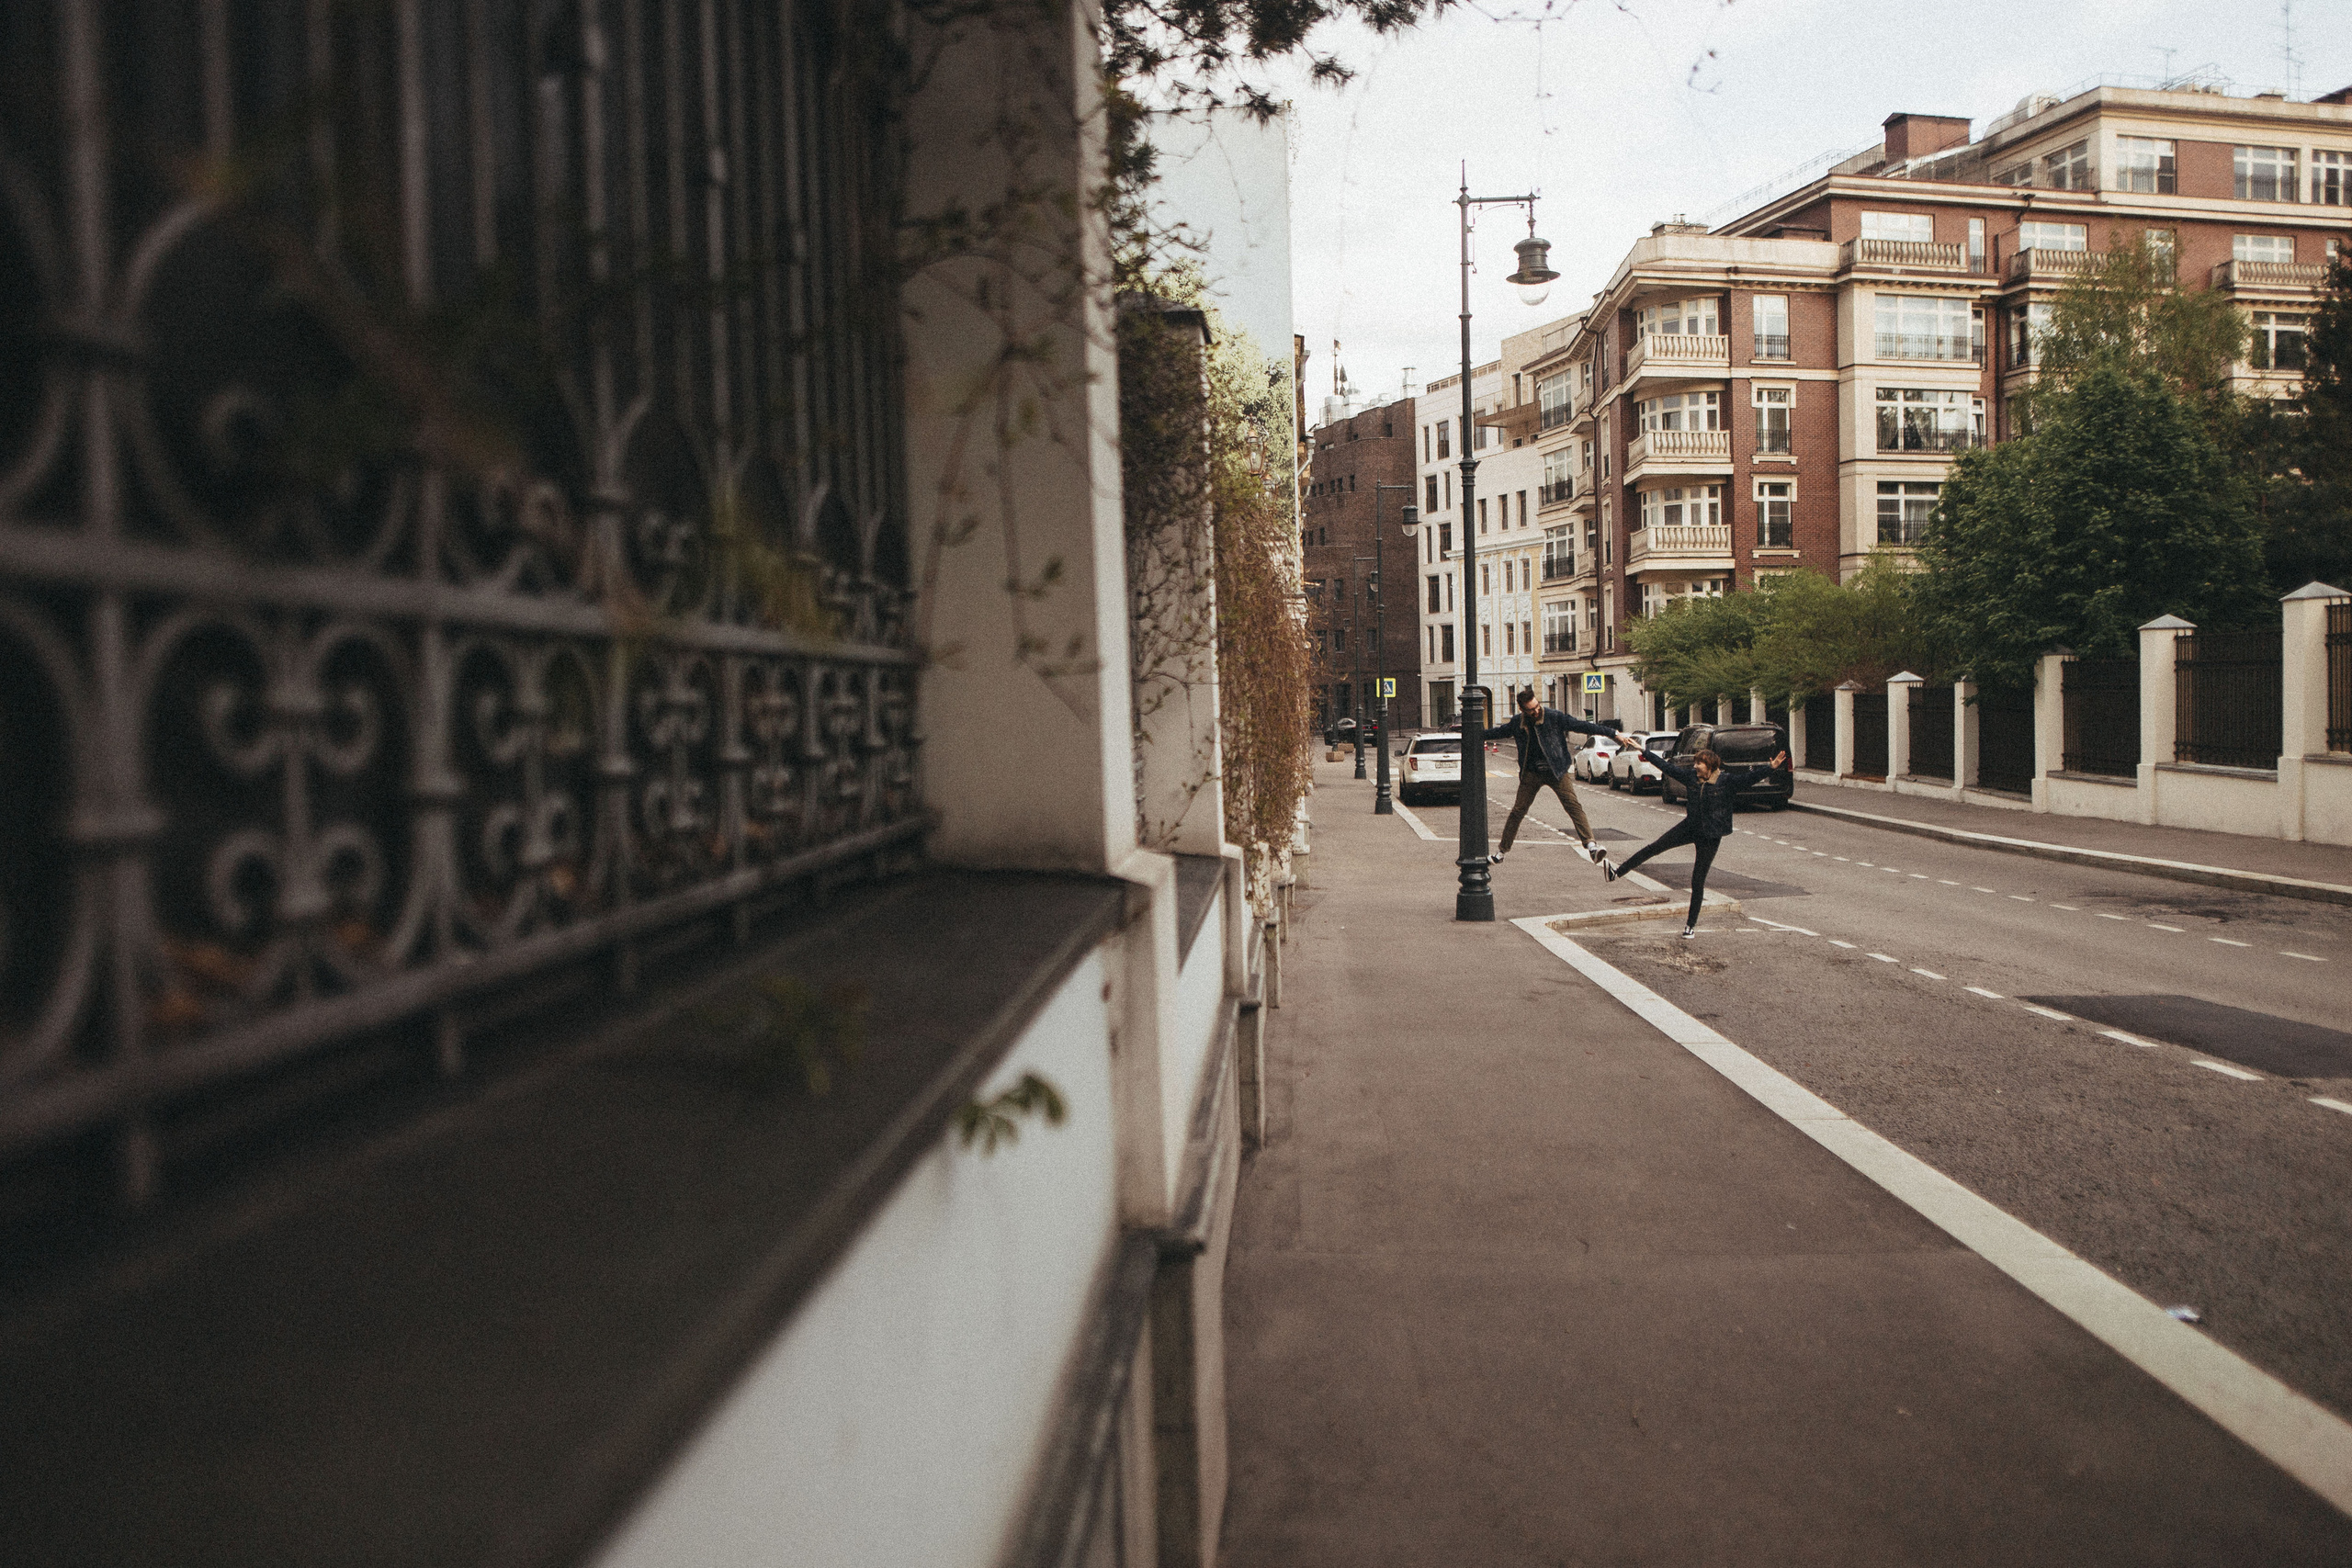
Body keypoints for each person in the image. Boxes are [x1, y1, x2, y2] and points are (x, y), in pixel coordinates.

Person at [1605, 745, 1789, 938]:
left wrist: (1772, 767)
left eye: (1700, 763)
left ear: (1710, 765)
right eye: (1696, 762)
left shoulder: (1726, 782)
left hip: (1710, 835)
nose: (1696, 766)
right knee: (1655, 847)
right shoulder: (1691, 778)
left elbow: (1749, 778)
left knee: (1697, 880)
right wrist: (1644, 752)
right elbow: (1667, 767)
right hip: (1689, 827)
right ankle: (1617, 872)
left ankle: (1690, 926)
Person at [1476, 688, 1622, 869]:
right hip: (1532, 773)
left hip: (1556, 770)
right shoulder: (1517, 723)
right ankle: (1501, 853)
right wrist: (1471, 733)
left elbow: (1583, 726)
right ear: (1523, 710)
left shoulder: (1554, 717)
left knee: (1573, 806)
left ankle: (1591, 846)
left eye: (1537, 706)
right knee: (1518, 811)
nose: (1536, 711)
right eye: (1531, 709)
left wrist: (1613, 733)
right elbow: (1497, 733)